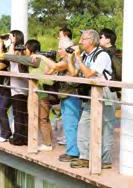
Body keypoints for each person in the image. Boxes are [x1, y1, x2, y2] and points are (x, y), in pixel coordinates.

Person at [0, 39, 55, 151]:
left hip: (40, 93)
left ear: (30, 49)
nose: (24, 50)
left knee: (42, 119)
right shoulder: (40, 58)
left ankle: (48, 144)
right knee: (43, 119)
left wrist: (4, 54)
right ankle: (49, 141)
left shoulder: (35, 59)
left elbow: (17, 59)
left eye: (26, 48)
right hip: (41, 92)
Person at [70, 29, 116, 169]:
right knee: (84, 125)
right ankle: (85, 157)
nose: (79, 42)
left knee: (105, 127)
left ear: (91, 41)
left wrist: (78, 58)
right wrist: (71, 57)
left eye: (83, 39)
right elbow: (74, 73)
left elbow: (89, 73)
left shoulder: (102, 55)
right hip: (91, 94)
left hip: (105, 94)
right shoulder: (84, 55)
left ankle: (105, 160)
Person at [32, 38, 82, 159]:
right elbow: (49, 72)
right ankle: (72, 151)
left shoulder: (70, 60)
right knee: (68, 125)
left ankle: (73, 152)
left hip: (72, 96)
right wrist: (47, 63)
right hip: (64, 96)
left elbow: (56, 66)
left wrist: (42, 57)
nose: (58, 51)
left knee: (71, 125)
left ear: (67, 49)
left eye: (60, 48)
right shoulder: (63, 60)